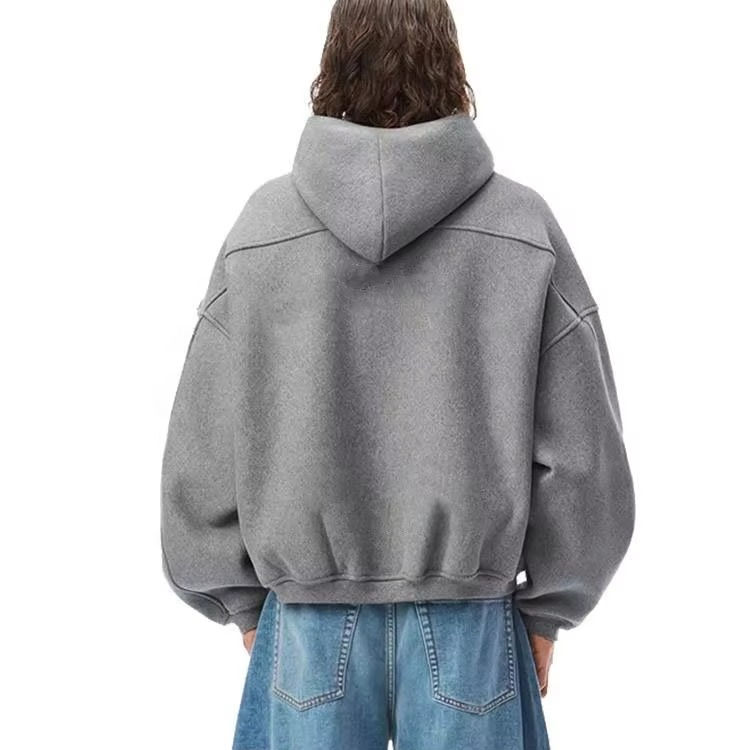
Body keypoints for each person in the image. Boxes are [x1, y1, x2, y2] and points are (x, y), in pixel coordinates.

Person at [160, 1, 635, 748]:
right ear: (451, 66)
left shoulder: (262, 231)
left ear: (332, 65)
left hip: (308, 630)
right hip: (470, 629)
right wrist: (549, 608)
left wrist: (243, 603)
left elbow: (202, 453)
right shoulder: (521, 228)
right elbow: (583, 460)